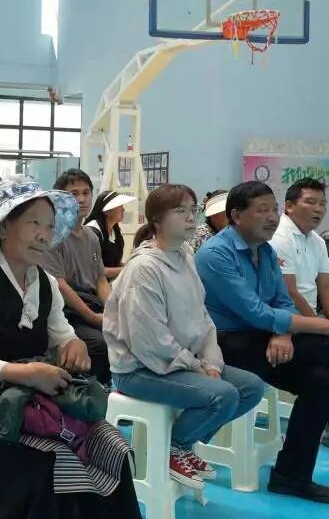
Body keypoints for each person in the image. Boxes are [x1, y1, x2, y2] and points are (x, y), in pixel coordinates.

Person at [0, 178, 142, 519]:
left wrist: (74, 345)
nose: (44, 235)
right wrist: (29, 374)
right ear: (4, 227)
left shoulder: (45, 283)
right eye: (34, 222)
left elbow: (62, 334)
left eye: (49, 226)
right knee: (46, 464)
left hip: (35, 397)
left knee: (112, 447)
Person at [104, 184, 265, 489]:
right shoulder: (144, 269)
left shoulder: (186, 256)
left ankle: (183, 443)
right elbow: (149, 340)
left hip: (180, 362)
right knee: (223, 395)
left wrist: (211, 362)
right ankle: (173, 446)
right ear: (157, 220)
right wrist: (195, 366)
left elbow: (203, 319)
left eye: (193, 210)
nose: (191, 217)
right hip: (140, 369)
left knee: (251, 387)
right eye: (181, 211)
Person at [196, 181, 329, 502]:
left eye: (274, 209)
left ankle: (290, 477)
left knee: (322, 381)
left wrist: (283, 333)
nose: (272, 217)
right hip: (223, 346)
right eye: (263, 210)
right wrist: (321, 326)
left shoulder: (265, 251)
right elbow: (255, 311)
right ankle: (290, 476)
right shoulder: (215, 254)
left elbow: (282, 301)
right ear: (236, 215)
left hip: (262, 338)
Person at [41, 169, 112, 384]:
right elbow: (60, 285)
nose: (81, 199)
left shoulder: (91, 236)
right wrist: (92, 317)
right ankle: (88, 392)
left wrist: (114, 310)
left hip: (91, 304)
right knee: (101, 344)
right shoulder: (53, 237)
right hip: (67, 311)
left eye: (86, 192)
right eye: (74, 194)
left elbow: (100, 280)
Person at [269, 178, 329, 317]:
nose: (318, 209)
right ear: (289, 206)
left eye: (322, 204)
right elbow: (289, 292)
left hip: (311, 317)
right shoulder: (278, 236)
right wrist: (317, 324)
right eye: (310, 202)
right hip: (285, 320)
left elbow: (325, 287)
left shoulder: (318, 241)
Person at [84, 190, 135, 279]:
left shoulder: (116, 231)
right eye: (119, 206)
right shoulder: (93, 231)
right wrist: (127, 269)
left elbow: (115, 264)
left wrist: (132, 266)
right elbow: (94, 270)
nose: (123, 209)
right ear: (106, 211)